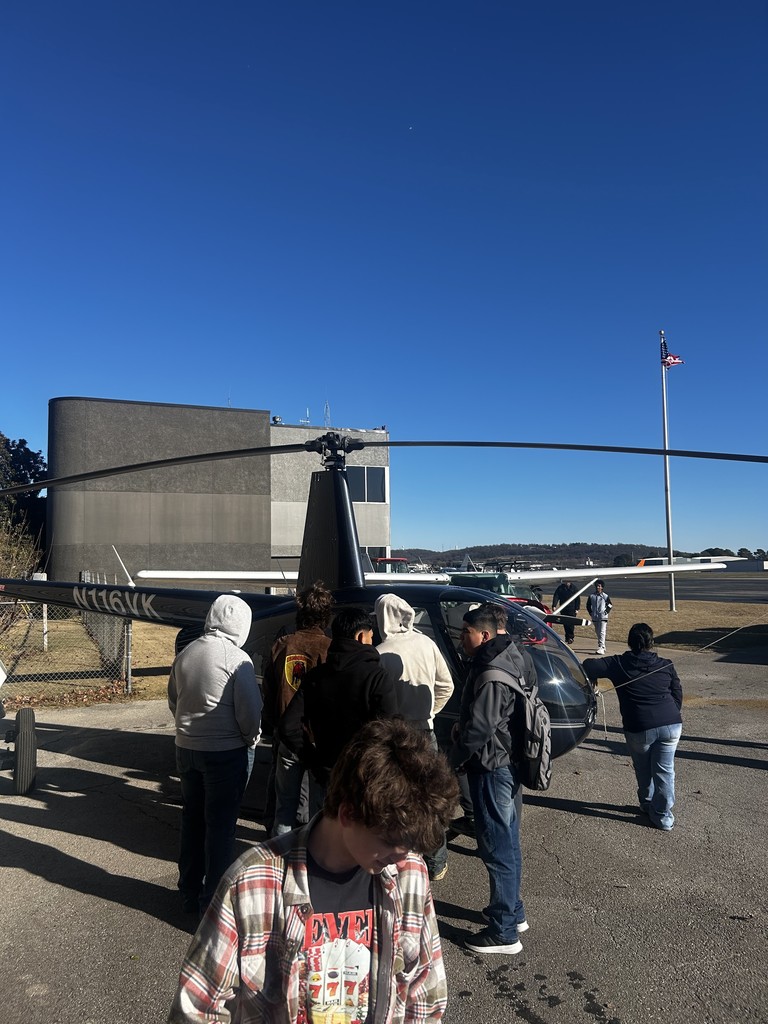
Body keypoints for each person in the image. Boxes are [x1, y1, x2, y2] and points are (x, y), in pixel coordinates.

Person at [168, 718, 460, 1024]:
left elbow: (425, 993)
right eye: (390, 840)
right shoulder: (252, 883)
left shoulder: (409, 873)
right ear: (348, 812)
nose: (402, 859)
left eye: (410, 844)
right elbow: (197, 1009)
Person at [168, 595, 262, 915]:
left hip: (186, 747)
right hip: (224, 751)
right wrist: (250, 738)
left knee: (192, 820)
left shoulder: (186, 653)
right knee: (221, 828)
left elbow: (173, 699)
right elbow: (250, 712)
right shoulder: (238, 659)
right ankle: (214, 902)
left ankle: (188, 890)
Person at [448, 605, 529, 955]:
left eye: (465, 632)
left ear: (483, 635)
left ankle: (504, 931)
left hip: (493, 766)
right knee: (507, 840)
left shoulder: (490, 672)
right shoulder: (515, 655)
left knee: (496, 847)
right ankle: (511, 909)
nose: (461, 638)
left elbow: (480, 728)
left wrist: (450, 761)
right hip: (508, 761)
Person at [375, 593, 455, 881]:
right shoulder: (426, 643)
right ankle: (437, 863)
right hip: (426, 731)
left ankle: (402, 861)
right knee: (431, 798)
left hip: (396, 735)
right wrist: (430, 711)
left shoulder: (381, 652)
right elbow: (446, 685)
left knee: (397, 798)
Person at [284, 606, 399, 798]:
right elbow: (390, 729)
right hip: (365, 776)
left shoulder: (316, 676)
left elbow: (288, 726)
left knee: (324, 824)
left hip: (327, 771)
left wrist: (313, 760)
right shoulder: (376, 677)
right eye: (371, 637)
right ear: (361, 637)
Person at [583, 623, 683, 830]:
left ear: (629, 643)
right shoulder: (665, 663)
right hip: (671, 723)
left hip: (639, 726)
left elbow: (588, 665)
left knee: (644, 768)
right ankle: (659, 812)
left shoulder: (619, 663)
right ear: (651, 642)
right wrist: (671, 713)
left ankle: (651, 806)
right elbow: (677, 692)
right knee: (665, 770)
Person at [262, 581, 333, 836]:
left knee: (285, 809)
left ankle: (279, 861)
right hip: (318, 741)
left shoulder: (281, 644)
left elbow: (268, 692)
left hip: (286, 737)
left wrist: (275, 724)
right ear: (326, 616)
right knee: (319, 810)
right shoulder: (330, 649)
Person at [586, 579, 612, 654]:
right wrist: (591, 613)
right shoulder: (591, 596)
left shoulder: (605, 596)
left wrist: (606, 611)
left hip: (603, 617)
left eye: (599, 586)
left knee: (602, 631)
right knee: (597, 632)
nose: (598, 587)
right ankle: (602, 645)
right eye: (597, 586)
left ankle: (601, 647)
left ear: (602, 587)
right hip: (595, 617)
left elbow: (610, 605)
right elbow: (588, 605)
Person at [552, 579, 581, 644]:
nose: (567, 582)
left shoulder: (574, 588)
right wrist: (554, 605)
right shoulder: (560, 588)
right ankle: (567, 637)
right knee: (565, 623)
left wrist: (577, 609)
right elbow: (556, 596)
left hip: (572, 609)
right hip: (563, 608)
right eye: (566, 581)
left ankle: (571, 637)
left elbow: (577, 599)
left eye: (568, 581)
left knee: (571, 624)